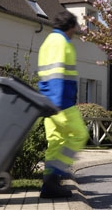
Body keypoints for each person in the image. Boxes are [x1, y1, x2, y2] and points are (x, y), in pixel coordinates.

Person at [37, 10, 89, 198]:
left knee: (56, 142)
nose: (75, 32)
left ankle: (49, 187)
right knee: (80, 134)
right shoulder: (61, 43)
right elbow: (57, 73)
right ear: (69, 27)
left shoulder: (48, 41)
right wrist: (58, 105)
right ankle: (57, 172)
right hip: (61, 103)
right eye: (75, 28)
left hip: (47, 102)